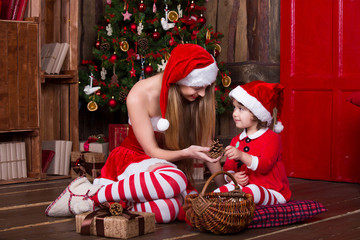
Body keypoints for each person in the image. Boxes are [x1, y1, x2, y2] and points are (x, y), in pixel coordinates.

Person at [45, 44, 224, 223]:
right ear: (179, 78)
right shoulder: (140, 94)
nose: (202, 93)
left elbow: (208, 147)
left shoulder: (193, 98)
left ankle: (117, 205)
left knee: (170, 208)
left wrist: (225, 189)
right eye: (197, 87)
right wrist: (187, 153)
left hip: (164, 166)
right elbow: (152, 152)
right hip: (136, 158)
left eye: (206, 87)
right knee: (176, 180)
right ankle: (93, 196)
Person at [215, 80, 291, 205]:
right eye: (234, 108)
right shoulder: (236, 140)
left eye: (241, 109)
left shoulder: (271, 138)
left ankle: (232, 205)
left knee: (252, 190)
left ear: (257, 113)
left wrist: (241, 155)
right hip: (244, 189)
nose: (235, 113)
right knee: (223, 191)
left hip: (271, 189)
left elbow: (265, 165)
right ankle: (212, 205)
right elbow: (228, 167)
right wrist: (231, 177)